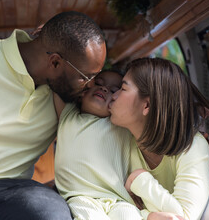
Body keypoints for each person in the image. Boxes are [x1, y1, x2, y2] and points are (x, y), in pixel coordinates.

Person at [0, 11, 106, 219]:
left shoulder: (62, 96)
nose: (91, 84)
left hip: (15, 190)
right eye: (86, 77)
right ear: (55, 62)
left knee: (54, 215)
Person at [109, 57, 209, 220]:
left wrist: (139, 179)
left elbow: (184, 217)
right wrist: (148, 217)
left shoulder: (193, 147)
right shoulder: (116, 138)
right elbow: (110, 205)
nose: (113, 96)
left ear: (147, 106)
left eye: (122, 88)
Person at [54, 69, 143, 220]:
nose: (104, 89)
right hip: (81, 197)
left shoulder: (121, 126)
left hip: (118, 199)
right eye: (99, 83)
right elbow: (60, 82)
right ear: (83, 92)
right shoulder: (68, 114)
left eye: (114, 90)